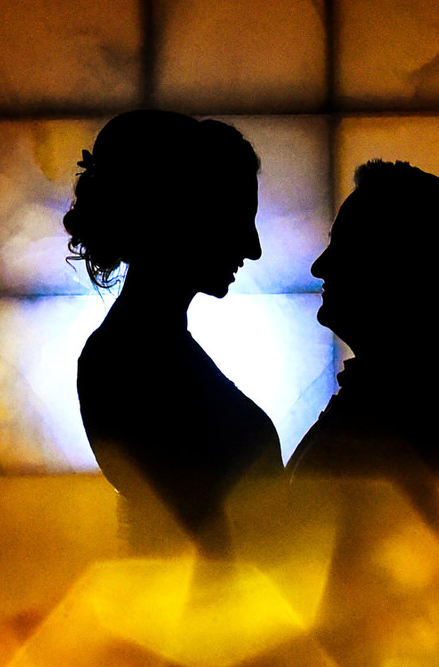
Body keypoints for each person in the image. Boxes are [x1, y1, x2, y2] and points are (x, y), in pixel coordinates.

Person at [65, 110, 283, 552]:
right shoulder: (130, 363)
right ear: (181, 214)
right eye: (237, 217)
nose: (253, 247)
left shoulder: (131, 353)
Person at [288, 160, 439, 534]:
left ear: (396, 267)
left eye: (346, 247)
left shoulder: (417, 420)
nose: (320, 267)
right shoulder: (425, 401)